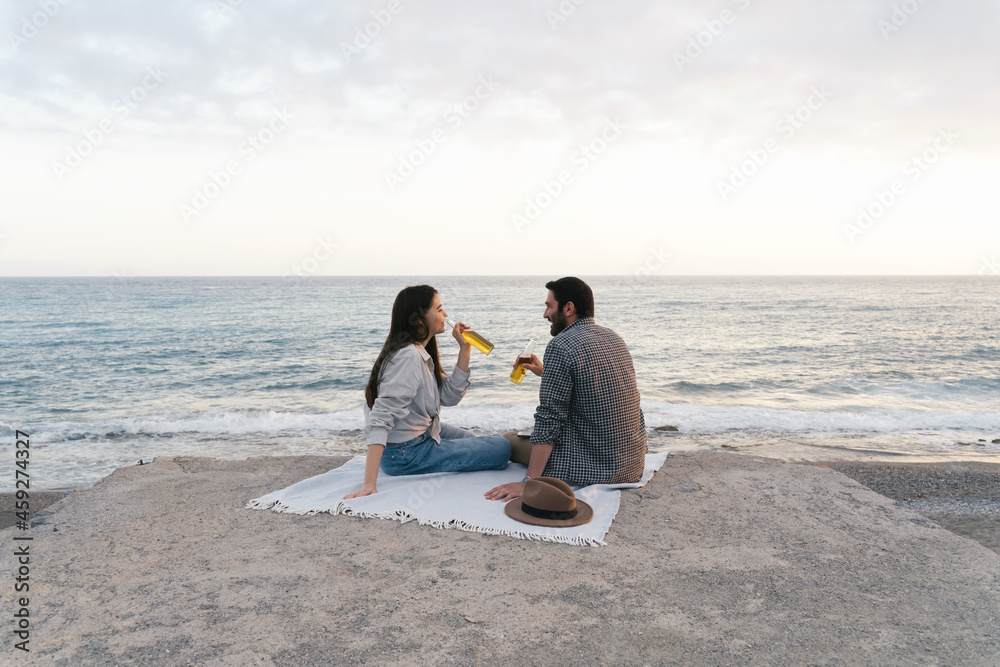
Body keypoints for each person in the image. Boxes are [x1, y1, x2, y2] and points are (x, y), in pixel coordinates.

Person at [485, 277, 647, 502]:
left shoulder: (561, 345)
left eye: (549, 306)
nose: (545, 314)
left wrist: (528, 482)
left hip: (595, 468)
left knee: (508, 439)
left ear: (569, 308)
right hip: (630, 465)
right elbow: (593, 386)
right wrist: (545, 371)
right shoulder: (613, 337)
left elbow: (549, 418)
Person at [344, 285, 511, 499]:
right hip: (405, 454)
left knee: (482, 441)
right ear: (420, 318)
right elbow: (380, 418)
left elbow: (449, 397)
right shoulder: (408, 357)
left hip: (423, 434)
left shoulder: (418, 353)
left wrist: (464, 349)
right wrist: (369, 484)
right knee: (502, 447)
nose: (446, 315)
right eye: (439, 309)